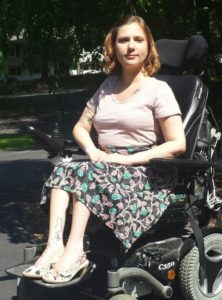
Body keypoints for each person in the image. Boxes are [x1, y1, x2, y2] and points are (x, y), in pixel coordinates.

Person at [23, 15, 186, 283]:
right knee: (65, 170)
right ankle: (55, 246)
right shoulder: (106, 88)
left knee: (89, 175)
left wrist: (126, 161)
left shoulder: (159, 90)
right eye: (123, 40)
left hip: (147, 174)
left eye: (138, 40)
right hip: (105, 163)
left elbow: (178, 144)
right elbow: (80, 127)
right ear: (114, 47)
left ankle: (75, 251)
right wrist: (92, 150)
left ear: (148, 47)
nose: (130, 46)